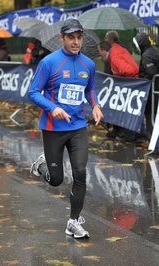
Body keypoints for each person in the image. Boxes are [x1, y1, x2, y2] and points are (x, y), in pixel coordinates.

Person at [28, 19, 103, 239]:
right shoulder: (49, 62)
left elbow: (90, 90)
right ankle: (41, 165)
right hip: (53, 128)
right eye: (71, 37)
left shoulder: (88, 64)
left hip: (78, 126)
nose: (76, 42)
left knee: (80, 172)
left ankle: (73, 222)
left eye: (79, 37)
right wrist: (53, 108)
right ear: (62, 38)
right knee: (56, 180)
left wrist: (96, 105)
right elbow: (33, 92)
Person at [98, 40, 140, 141]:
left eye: (99, 51)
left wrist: (121, 80)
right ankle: (138, 133)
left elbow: (128, 70)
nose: (99, 53)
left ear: (104, 51)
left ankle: (129, 136)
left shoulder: (114, 57)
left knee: (127, 111)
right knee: (134, 109)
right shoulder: (116, 51)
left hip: (130, 85)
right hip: (133, 84)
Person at [133, 32, 159, 140]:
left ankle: (152, 139)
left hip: (151, 90)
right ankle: (155, 139)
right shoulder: (154, 51)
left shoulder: (147, 55)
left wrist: (143, 81)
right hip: (158, 88)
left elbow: (152, 72)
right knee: (155, 114)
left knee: (150, 115)